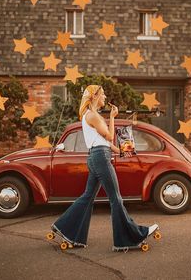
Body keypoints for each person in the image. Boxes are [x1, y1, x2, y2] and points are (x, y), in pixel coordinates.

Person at [51, 84, 159, 252]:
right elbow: (109, 136)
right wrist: (112, 117)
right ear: (94, 96)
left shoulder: (90, 115)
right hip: (100, 157)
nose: (105, 98)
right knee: (116, 198)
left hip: (97, 155)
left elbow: (105, 142)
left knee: (87, 196)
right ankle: (130, 238)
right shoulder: (92, 115)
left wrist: (124, 151)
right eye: (102, 95)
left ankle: (65, 229)